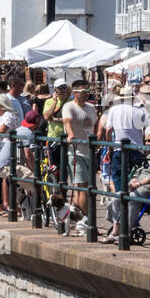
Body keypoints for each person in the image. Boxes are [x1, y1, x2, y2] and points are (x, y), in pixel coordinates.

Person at [61, 80, 98, 235]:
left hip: (89, 150)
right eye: (82, 92)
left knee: (85, 188)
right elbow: (67, 121)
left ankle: (80, 221)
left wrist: (96, 137)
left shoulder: (91, 108)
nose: (85, 95)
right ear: (75, 93)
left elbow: (94, 126)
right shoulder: (69, 106)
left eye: (86, 92)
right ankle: (83, 223)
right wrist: (71, 135)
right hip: (76, 151)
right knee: (81, 187)